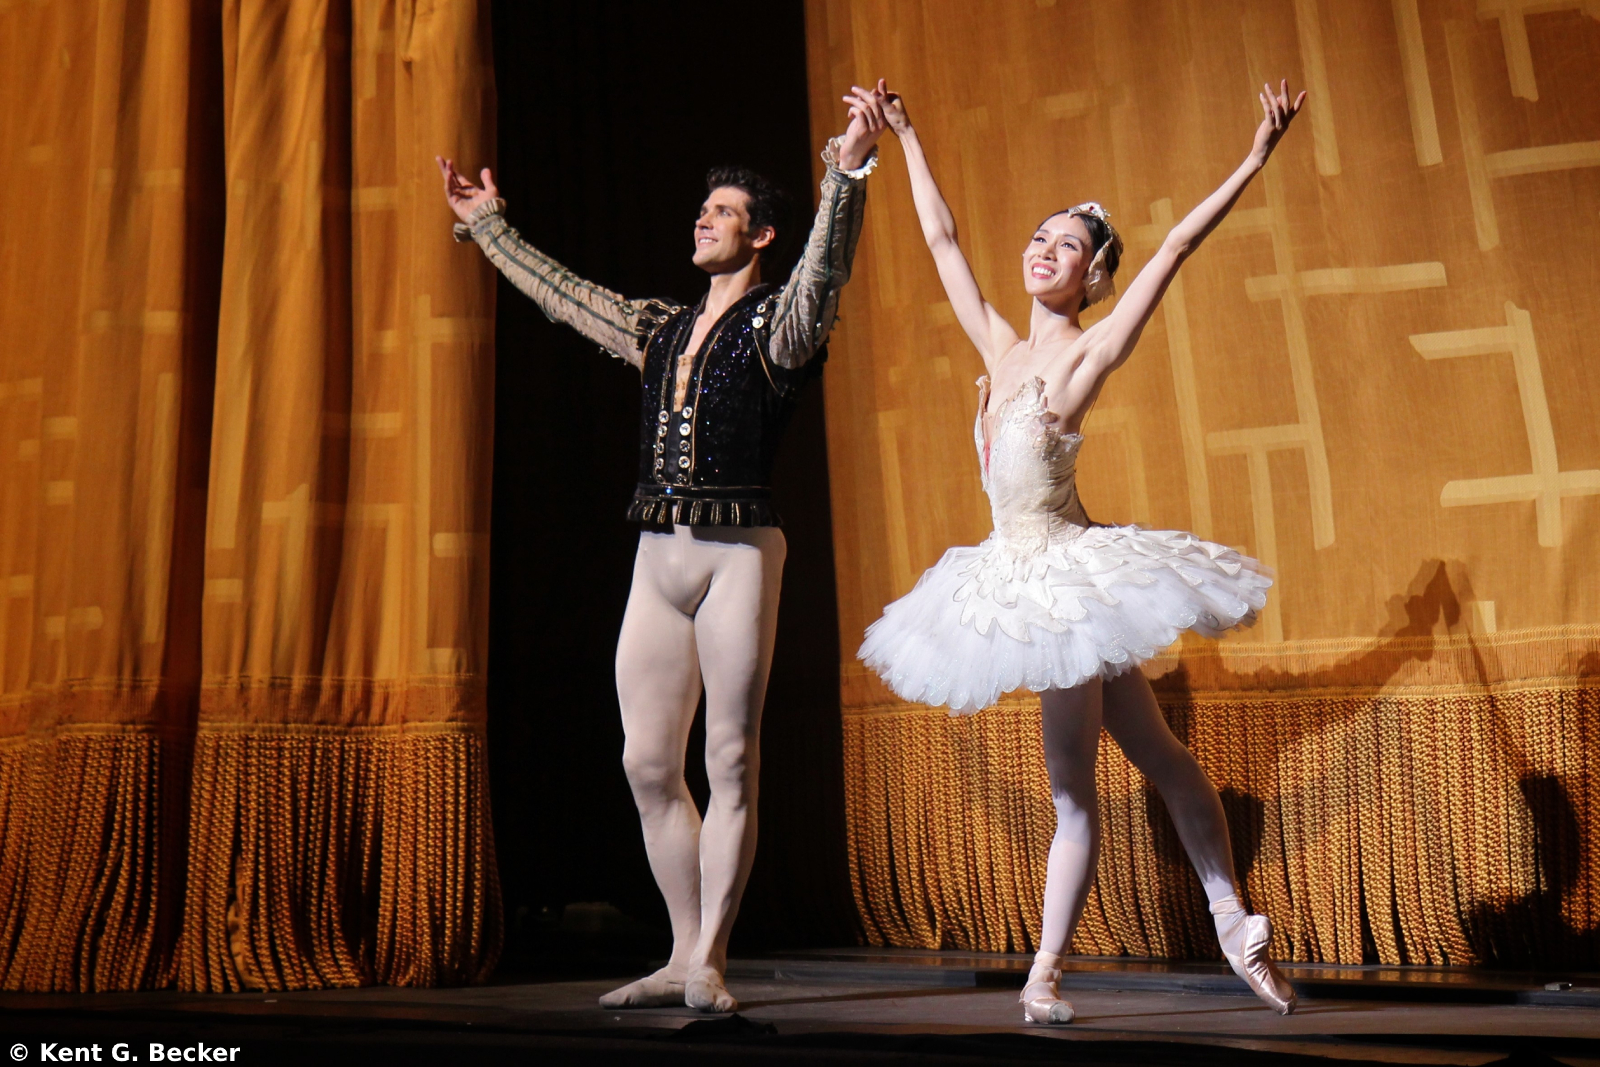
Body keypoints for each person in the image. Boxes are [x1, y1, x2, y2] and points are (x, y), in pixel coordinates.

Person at [855, 79, 1308, 1023]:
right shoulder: (998, 341)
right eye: (1037, 235)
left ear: (1092, 273)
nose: (1041, 250)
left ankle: (1048, 976)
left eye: (1065, 244)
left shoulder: (1084, 356)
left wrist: (1254, 159)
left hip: (1063, 585)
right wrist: (909, 140)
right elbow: (941, 242)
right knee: (1160, 754)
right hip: (1017, 569)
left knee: (1075, 788)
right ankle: (1230, 922)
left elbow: (1176, 248)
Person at [436, 83, 891, 1014]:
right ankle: (680, 952)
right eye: (703, 208)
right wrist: (489, 229)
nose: (704, 218)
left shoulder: (780, 326)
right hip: (658, 554)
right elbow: (568, 299)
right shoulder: (660, 326)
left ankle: (712, 957)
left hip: (738, 555)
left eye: (723, 211)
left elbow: (825, 274)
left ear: (759, 235)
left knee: (728, 758)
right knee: (647, 762)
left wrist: (846, 171)